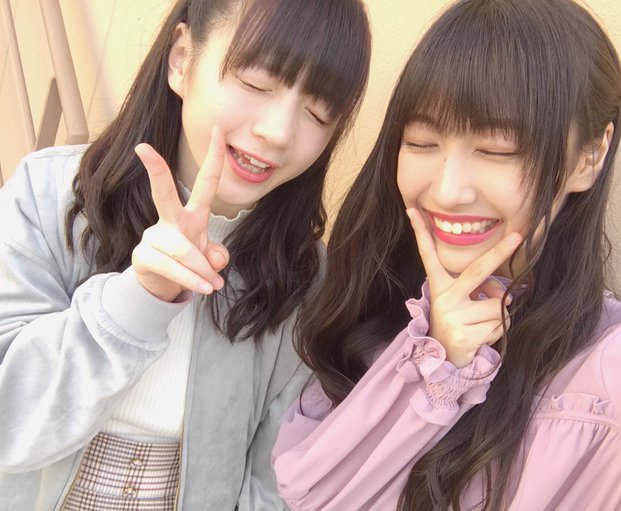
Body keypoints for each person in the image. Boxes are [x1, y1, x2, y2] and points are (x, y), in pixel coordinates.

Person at [272, 0, 621, 509]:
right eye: (422, 142)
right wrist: (437, 366)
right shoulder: (383, 323)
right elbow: (308, 494)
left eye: (497, 150)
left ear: (588, 157)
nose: (447, 191)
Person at [0, 0, 370, 508]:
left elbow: (275, 482)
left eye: (318, 112)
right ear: (181, 59)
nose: (279, 132)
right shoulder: (50, 196)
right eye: (257, 83)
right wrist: (137, 302)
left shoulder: (306, 278)